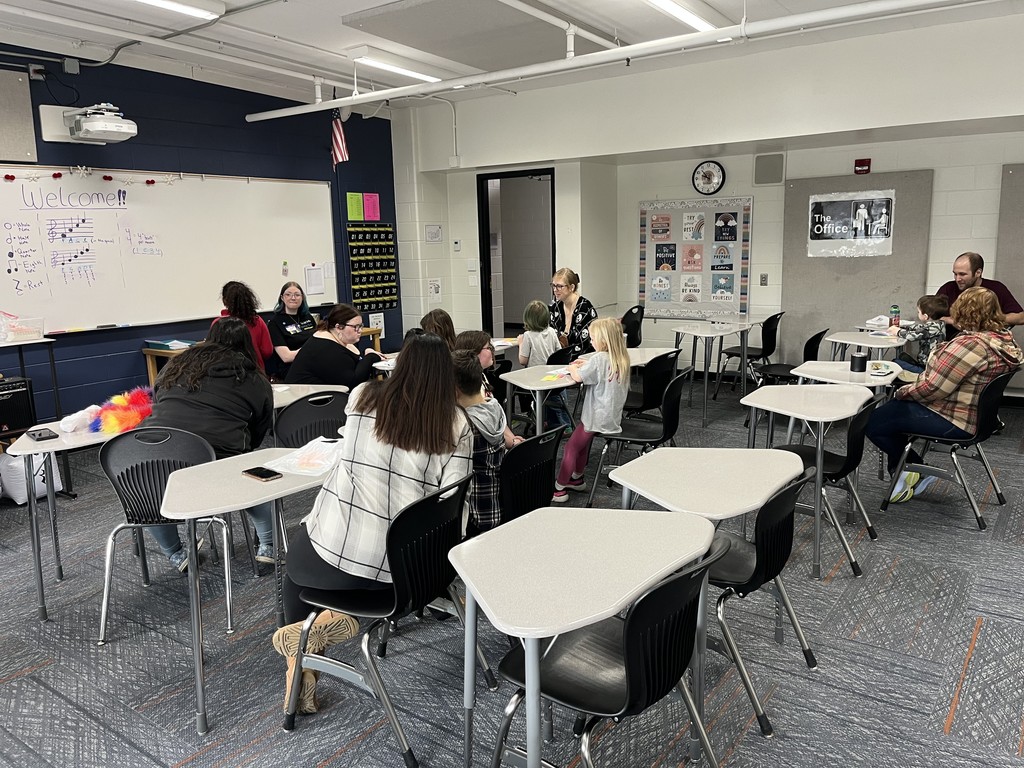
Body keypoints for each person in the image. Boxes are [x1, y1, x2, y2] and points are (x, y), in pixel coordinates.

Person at [275, 333, 473, 713]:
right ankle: (326, 627)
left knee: (295, 572)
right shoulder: (455, 424)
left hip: (336, 551)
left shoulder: (363, 397)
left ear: (398, 366)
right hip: (407, 572)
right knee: (340, 572)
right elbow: (452, 499)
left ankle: (299, 662)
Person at [141, 317, 276, 571]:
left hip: (148, 453)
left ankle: (176, 553)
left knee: (148, 494)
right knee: (254, 475)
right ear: (247, 344)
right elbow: (260, 427)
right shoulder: (252, 376)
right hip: (214, 460)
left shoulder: (175, 365)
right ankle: (268, 545)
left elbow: (158, 399)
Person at [866, 287, 1023, 503]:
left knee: (873, 421)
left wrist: (901, 392)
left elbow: (932, 388)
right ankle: (903, 472)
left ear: (963, 312)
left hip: (954, 419)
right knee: (892, 415)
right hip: (979, 419)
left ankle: (916, 469)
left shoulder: (970, 346)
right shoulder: (1004, 341)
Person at [551, 317, 630, 503]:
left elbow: (578, 377)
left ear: (603, 341)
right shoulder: (621, 358)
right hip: (611, 417)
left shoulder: (598, 359)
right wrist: (585, 366)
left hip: (595, 417)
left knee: (571, 447)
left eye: (593, 339)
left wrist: (572, 367)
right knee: (583, 445)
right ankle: (577, 478)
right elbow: (599, 373)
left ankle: (559, 488)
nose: (591, 342)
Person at [453, 350, 522, 537]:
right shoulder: (494, 406)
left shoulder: (465, 427)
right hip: (499, 505)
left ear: (454, 390)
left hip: (476, 515)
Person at [284, 303, 383, 387]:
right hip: (304, 399)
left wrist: (366, 352)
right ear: (339, 327)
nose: (360, 330)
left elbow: (353, 363)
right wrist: (371, 357)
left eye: (361, 326)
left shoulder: (334, 339)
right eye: (356, 327)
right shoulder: (325, 348)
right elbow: (353, 382)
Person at [937, 252, 1024, 331]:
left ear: (978, 273)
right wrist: (949, 320)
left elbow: (1021, 317)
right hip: (952, 340)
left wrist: (987, 320)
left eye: (962, 274)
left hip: (983, 340)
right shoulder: (948, 288)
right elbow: (932, 313)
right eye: (955, 274)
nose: (957, 279)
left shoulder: (996, 288)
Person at [517, 299, 570, 429]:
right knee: (555, 398)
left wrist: (520, 344)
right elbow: (559, 352)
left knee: (518, 384)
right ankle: (558, 422)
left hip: (536, 379)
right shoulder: (551, 331)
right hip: (553, 376)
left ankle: (544, 421)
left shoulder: (527, 336)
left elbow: (523, 361)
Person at [213, 281, 273, 372]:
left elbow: (214, 353)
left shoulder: (218, 323)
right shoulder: (257, 321)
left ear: (225, 301)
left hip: (227, 373)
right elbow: (267, 351)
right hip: (256, 372)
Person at [886, 294, 949, 374]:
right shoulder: (939, 324)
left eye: (918, 312)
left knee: (895, 362)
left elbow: (912, 336)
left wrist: (898, 331)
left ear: (925, 316)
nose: (917, 313)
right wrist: (905, 327)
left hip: (928, 369)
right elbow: (920, 328)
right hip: (925, 363)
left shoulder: (932, 328)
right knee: (902, 356)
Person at [267, 281, 316, 380]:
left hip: (312, 363)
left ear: (302, 297)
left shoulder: (308, 317)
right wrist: (311, 351)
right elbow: (286, 357)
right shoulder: (275, 323)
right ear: (282, 298)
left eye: (297, 295)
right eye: (288, 294)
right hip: (291, 368)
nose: (293, 298)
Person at [549, 267, 598, 359]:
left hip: (583, 359)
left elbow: (585, 345)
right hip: (561, 359)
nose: (555, 290)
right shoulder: (555, 308)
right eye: (553, 285)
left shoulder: (585, 308)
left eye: (559, 286)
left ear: (571, 287)